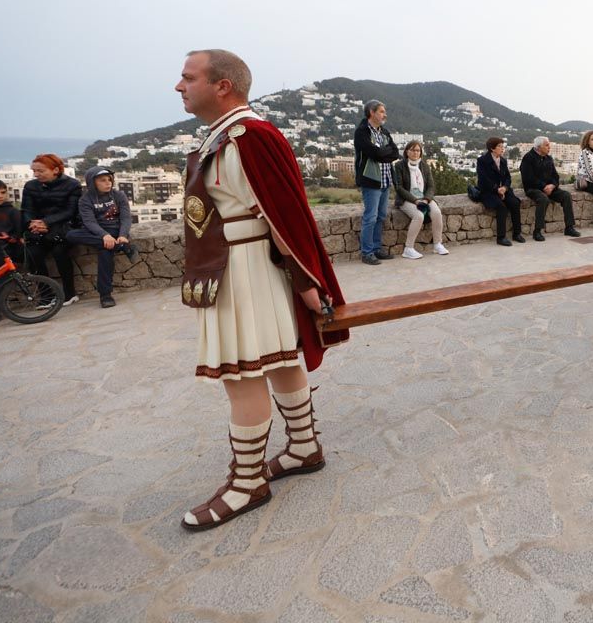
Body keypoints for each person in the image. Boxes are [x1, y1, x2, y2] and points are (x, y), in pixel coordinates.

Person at [174, 49, 347, 531]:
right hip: (239, 266)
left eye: (188, 77)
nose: (179, 85)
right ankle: (304, 447)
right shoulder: (229, 135)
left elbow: (288, 213)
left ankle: (248, 481)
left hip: (246, 270)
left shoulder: (250, 136)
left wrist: (310, 283)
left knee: (244, 374)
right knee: (280, 360)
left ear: (222, 85)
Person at [65, 166, 137, 308]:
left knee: (105, 251)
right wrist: (104, 235)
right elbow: (89, 222)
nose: (107, 183)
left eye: (109, 180)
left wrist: (122, 235)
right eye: (102, 180)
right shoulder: (85, 200)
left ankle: (105, 295)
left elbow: (126, 218)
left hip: (116, 231)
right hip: (97, 233)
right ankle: (121, 247)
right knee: (70, 235)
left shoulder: (119, 195)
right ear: (93, 183)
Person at [21, 153, 82, 306]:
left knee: (60, 252)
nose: (36, 174)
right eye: (34, 171)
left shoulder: (72, 185)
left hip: (62, 228)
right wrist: (33, 223)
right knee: (33, 255)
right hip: (38, 230)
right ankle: (46, 296)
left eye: (40, 171)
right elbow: (26, 209)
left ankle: (69, 294)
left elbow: (70, 211)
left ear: (55, 170)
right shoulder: (30, 186)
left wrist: (46, 222)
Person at [354, 100, 400, 264]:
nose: (384, 114)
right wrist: (382, 153)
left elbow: (395, 153)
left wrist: (382, 153)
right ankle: (367, 253)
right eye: (381, 111)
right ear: (371, 113)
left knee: (380, 216)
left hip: (386, 180)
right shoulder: (362, 132)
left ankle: (376, 249)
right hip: (371, 181)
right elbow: (374, 153)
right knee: (370, 217)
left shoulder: (384, 132)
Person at [391, 141, 449, 259]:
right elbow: (399, 187)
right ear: (407, 151)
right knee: (419, 215)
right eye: (412, 150)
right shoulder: (399, 166)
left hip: (424, 197)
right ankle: (408, 248)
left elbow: (431, 186)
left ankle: (437, 244)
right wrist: (416, 201)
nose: (415, 153)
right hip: (407, 199)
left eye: (418, 150)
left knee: (437, 213)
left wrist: (427, 200)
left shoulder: (424, 166)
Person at [520, 137, 580, 240]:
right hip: (533, 188)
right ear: (539, 147)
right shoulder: (528, 158)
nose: (549, 147)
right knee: (543, 199)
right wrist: (543, 186)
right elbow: (528, 178)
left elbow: (556, 176)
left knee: (566, 195)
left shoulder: (548, 158)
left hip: (550, 188)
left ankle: (569, 227)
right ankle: (537, 231)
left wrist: (552, 185)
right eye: (547, 145)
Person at [0, 177, 23, 326]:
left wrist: (11, 238)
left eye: (3, 192)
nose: (0, 196)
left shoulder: (11, 211)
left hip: (2, 250)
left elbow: (19, 232)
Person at [476, 137, 524, 246]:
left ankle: (517, 234)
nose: (502, 148)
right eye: (499, 146)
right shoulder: (482, 160)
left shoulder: (503, 160)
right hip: (488, 191)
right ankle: (501, 237)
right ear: (492, 148)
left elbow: (507, 177)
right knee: (501, 207)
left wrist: (505, 188)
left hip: (502, 190)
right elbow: (483, 179)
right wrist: (496, 189)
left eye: (503, 146)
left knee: (515, 203)